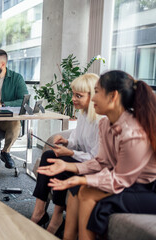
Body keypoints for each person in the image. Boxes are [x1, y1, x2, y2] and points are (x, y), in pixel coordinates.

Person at [37, 70, 156, 240]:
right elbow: (102, 161)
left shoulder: (132, 133)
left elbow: (121, 179)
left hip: (147, 187)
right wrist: (68, 166)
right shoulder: (106, 124)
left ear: (113, 96)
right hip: (130, 180)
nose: (93, 98)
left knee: (87, 192)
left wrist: (83, 178)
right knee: (81, 189)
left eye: (97, 92)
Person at [31, 73, 101, 237]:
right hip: (80, 158)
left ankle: (56, 217)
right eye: (73, 94)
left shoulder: (101, 121)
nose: (73, 99)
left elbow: (97, 159)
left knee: (61, 160)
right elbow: (76, 139)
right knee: (49, 155)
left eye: (78, 95)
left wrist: (70, 152)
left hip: (94, 167)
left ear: (93, 96)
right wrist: (66, 142)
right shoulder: (83, 114)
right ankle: (39, 211)